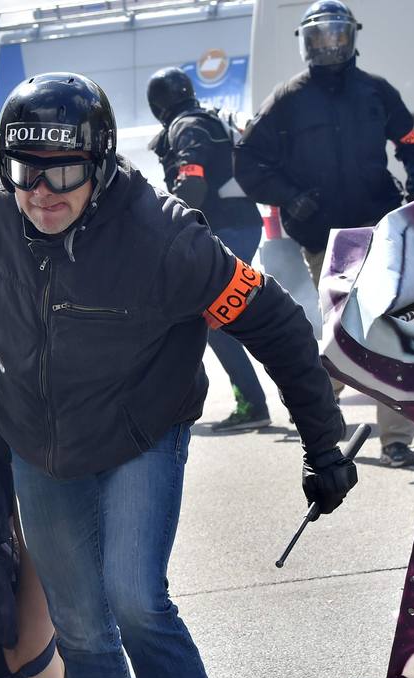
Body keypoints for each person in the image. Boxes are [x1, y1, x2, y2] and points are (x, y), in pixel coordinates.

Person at [0, 72, 355, 678]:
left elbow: (273, 322)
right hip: (40, 442)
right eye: (25, 170)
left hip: (142, 430)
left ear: (101, 162)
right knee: (77, 621)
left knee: (135, 601)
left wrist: (322, 439)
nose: (41, 191)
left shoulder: (163, 235)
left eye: (63, 170)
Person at [234, 0, 414, 467]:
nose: (329, 45)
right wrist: (288, 195)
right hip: (323, 238)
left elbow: (411, 142)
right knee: (347, 328)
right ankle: (319, 410)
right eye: (319, 37)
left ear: (352, 37)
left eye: (337, 35)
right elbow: (248, 158)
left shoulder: (376, 92)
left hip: (380, 227)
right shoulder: (287, 98)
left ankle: (396, 439)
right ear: (305, 44)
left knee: (386, 326)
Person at [148, 67, 271, 433]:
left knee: (215, 319)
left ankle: (255, 403)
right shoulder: (203, 119)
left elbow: (193, 185)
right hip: (238, 225)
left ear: (157, 104)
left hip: (227, 227)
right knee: (224, 318)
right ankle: (270, 399)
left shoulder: (187, 127)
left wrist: (162, 229)